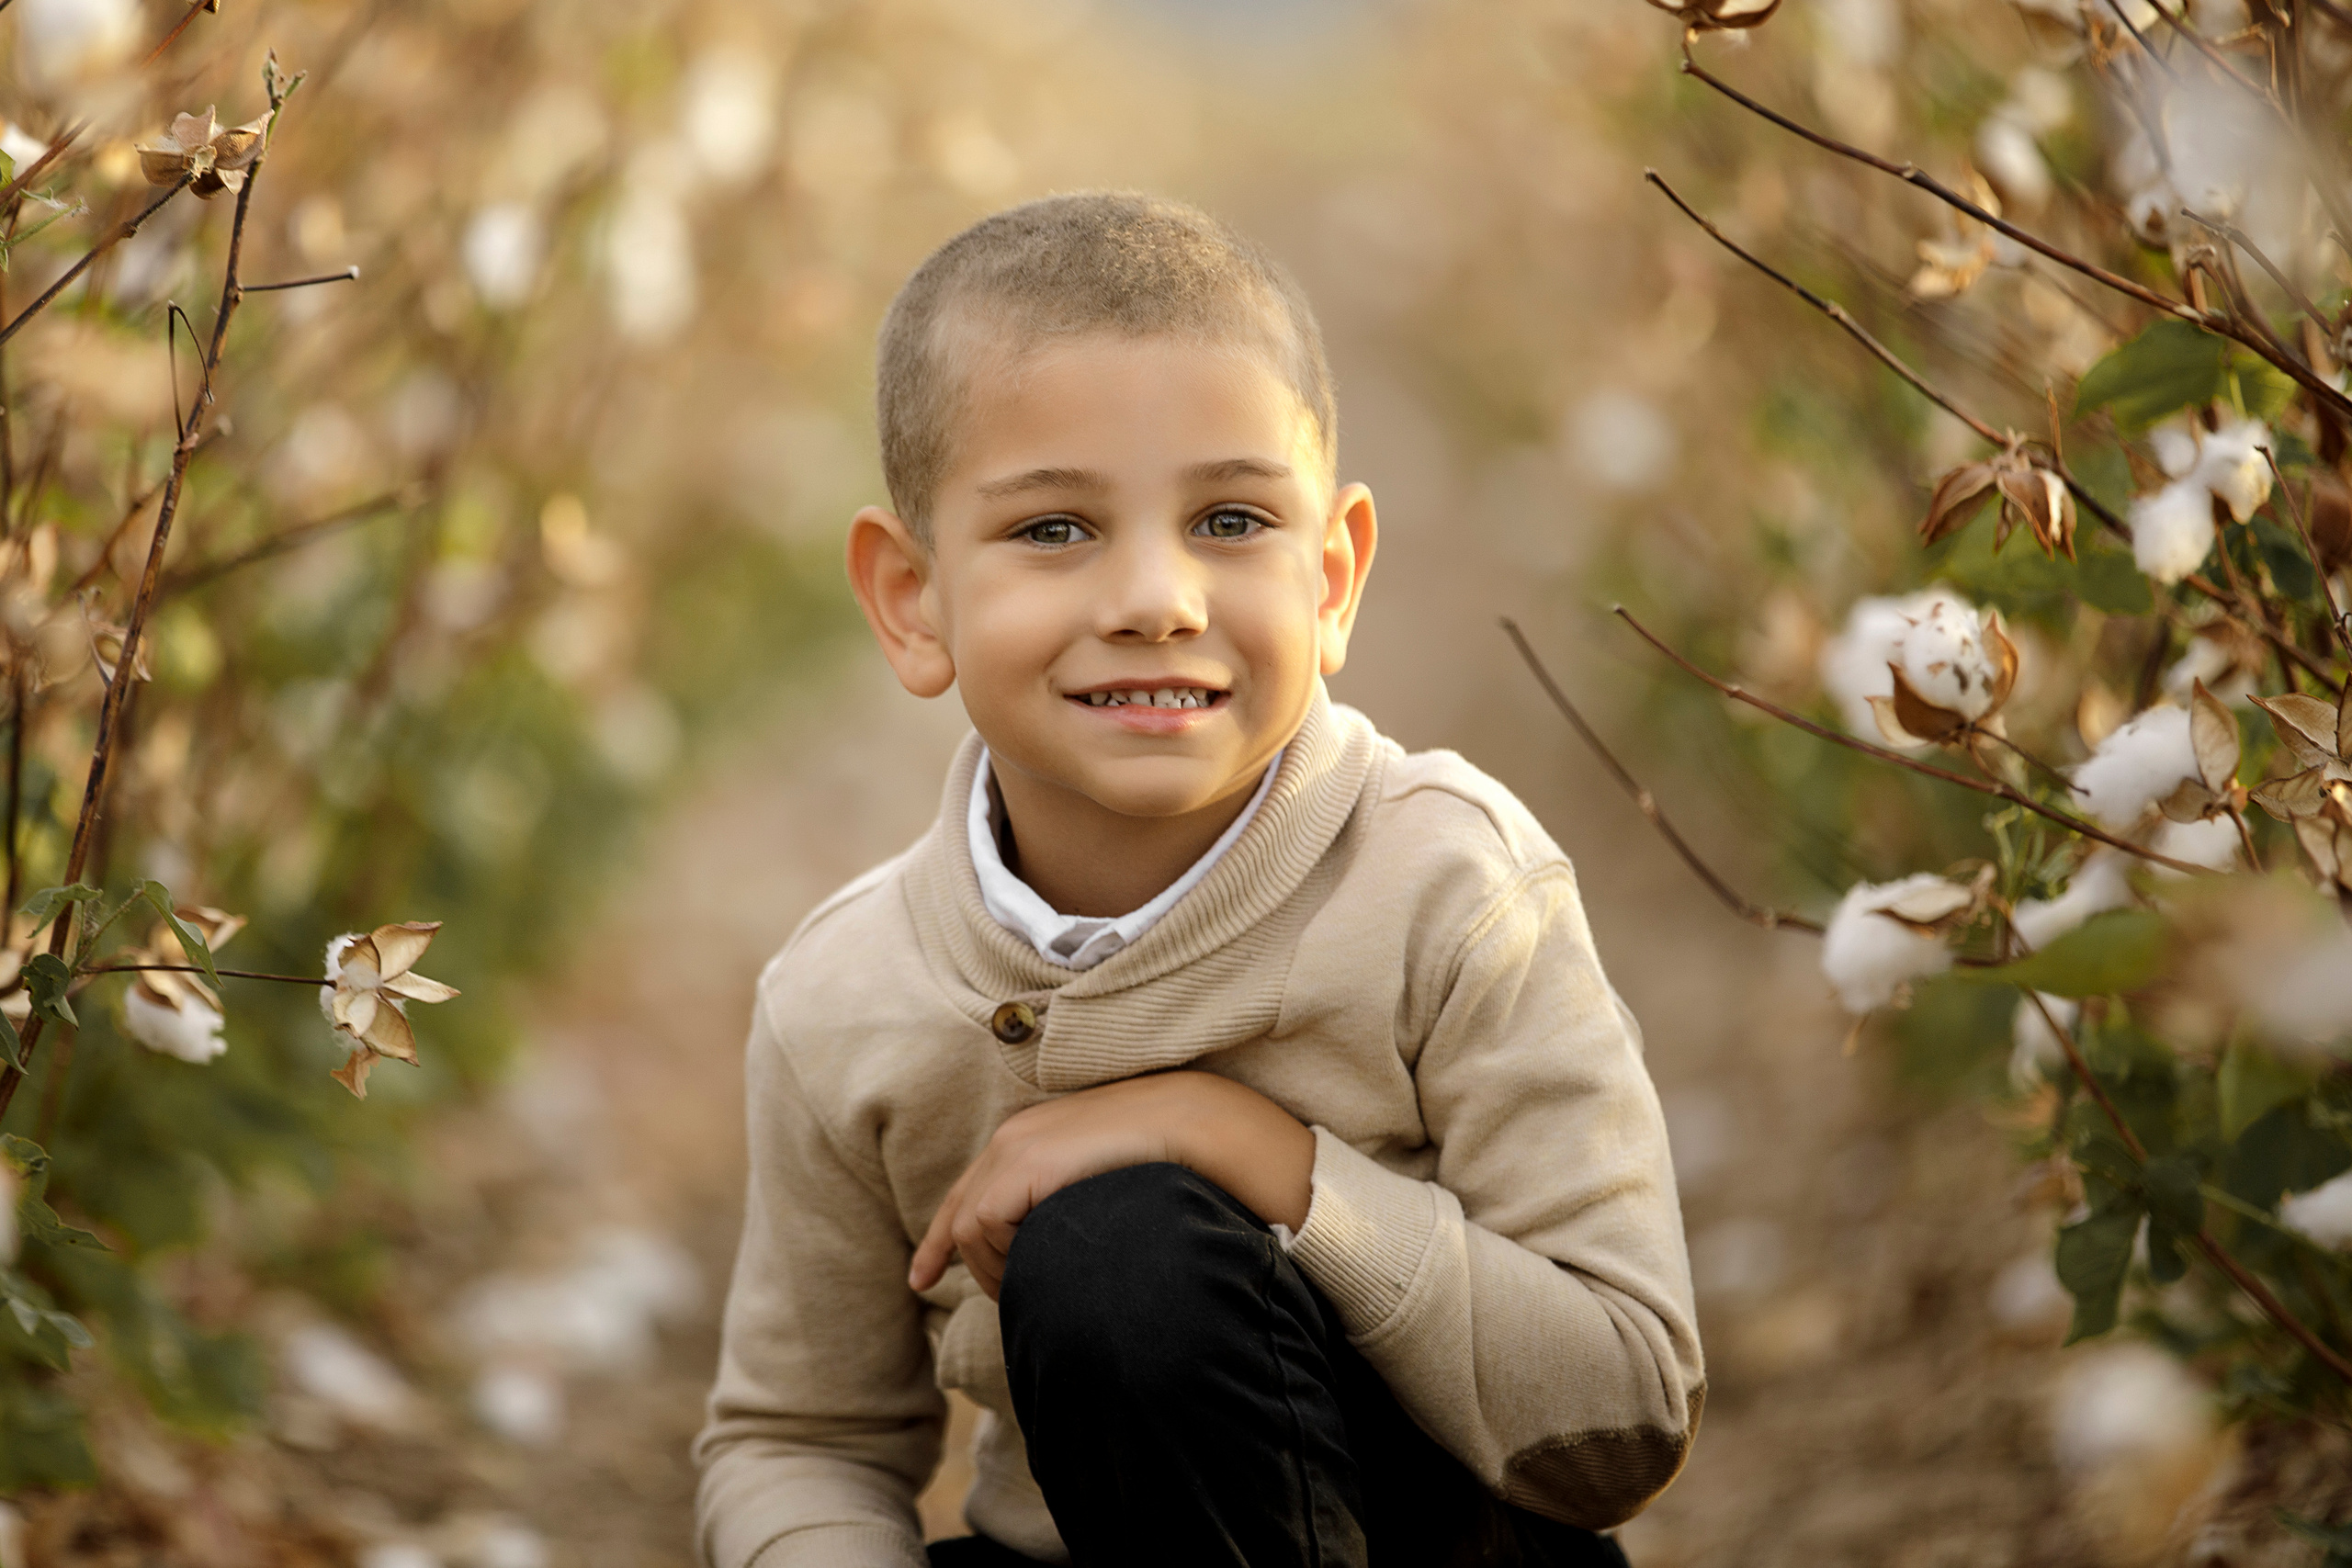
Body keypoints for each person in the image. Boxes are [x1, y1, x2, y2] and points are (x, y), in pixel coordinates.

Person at [693, 192, 1702, 1568]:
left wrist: (1242, 1147)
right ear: (912, 598)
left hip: (1449, 1550)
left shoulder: (1451, 888)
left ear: (1332, 577)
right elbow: (798, 1439)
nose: (1157, 599)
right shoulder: (846, 998)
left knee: (1119, 1257)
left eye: (1230, 519)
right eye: (1056, 530)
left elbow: (1624, 1414)